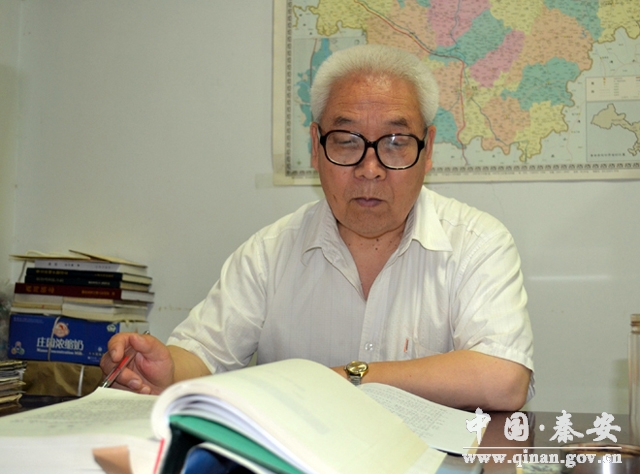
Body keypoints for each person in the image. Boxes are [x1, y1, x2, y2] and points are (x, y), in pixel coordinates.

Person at [101, 44, 534, 411]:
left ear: (428, 149)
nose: (370, 169)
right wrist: (163, 372)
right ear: (315, 146)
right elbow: (202, 354)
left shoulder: (477, 243)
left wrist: (347, 378)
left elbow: (504, 379)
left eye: (395, 143)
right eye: (346, 141)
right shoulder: (269, 253)